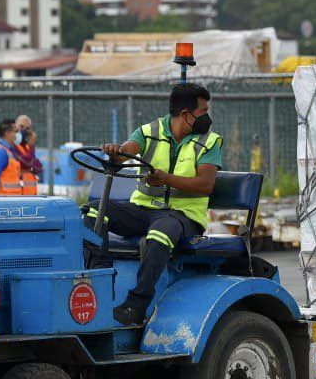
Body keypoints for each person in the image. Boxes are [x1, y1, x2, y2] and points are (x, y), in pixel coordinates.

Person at [86, 83, 223, 325]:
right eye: (204, 111)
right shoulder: (149, 131)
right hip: (143, 210)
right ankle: (101, 276)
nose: (208, 117)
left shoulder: (210, 141)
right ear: (186, 115)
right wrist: (115, 153)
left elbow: (205, 184)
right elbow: (127, 151)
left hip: (182, 216)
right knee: (94, 211)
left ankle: (136, 305)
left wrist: (166, 179)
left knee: (160, 233)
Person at [0, 119, 38, 196]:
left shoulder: (10, 151)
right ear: (7, 133)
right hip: (2, 200)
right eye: (16, 131)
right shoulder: (0, 152)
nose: (18, 134)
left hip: (11, 200)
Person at [13, 114, 44, 189]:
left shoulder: (27, 147)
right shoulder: (12, 146)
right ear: (15, 127)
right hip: (16, 194)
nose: (24, 130)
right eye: (21, 126)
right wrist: (32, 147)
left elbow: (39, 167)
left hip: (29, 195)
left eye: (27, 128)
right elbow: (27, 163)